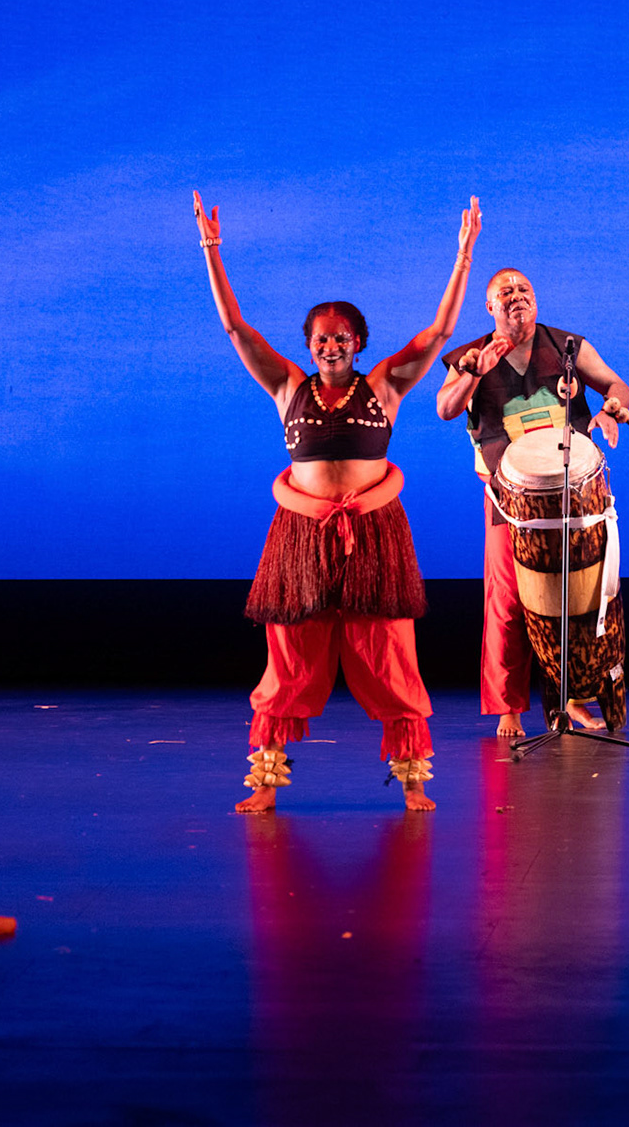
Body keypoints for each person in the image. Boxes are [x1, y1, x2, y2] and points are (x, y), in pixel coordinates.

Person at [196, 191, 480, 813]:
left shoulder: (385, 385)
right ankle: (264, 784)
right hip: (300, 537)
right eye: (322, 338)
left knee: (389, 652)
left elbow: (439, 332)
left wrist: (463, 256)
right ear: (309, 344)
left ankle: (413, 781)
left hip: (373, 535)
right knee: (290, 655)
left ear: (358, 342)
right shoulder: (286, 386)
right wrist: (211, 250)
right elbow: (235, 327)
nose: (332, 346)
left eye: (343, 337)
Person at [435, 265, 629, 738]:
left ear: (536, 298)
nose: (515, 295)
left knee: (580, 597)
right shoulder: (470, 356)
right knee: (508, 601)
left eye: (523, 288)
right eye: (504, 291)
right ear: (489, 306)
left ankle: (575, 697)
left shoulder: (568, 347)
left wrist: (612, 406)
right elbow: (445, 408)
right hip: (509, 501)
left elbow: (617, 385)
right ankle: (509, 707)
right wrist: (472, 374)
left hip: (574, 497)